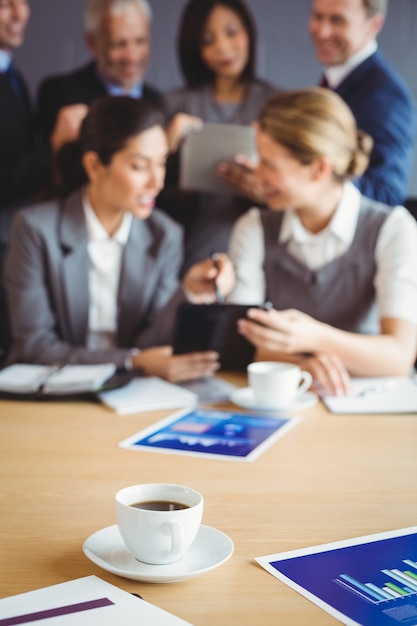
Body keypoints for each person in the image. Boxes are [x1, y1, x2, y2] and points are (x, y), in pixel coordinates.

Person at [4, 96, 234, 383]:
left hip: (131, 392)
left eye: (161, 163)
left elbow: (152, 342)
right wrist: (132, 360)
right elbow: (34, 347)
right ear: (94, 166)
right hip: (52, 393)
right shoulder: (35, 229)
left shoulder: (165, 235)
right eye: (139, 166)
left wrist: (186, 292)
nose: (157, 181)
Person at [227, 88, 417, 395]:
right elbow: (241, 344)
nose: (257, 174)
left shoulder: (393, 229)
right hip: (286, 399)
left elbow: (399, 356)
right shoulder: (253, 228)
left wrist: (314, 339)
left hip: (366, 406)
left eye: (270, 165)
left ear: (319, 168)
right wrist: (302, 364)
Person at [159, 0, 277, 272]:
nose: (223, 48)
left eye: (232, 32)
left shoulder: (275, 104)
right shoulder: (175, 105)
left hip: (259, 244)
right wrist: (167, 145)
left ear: (248, 32)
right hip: (190, 240)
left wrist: (262, 191)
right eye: (207, 40)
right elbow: (148, 188)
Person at [309, 0, 416, 206]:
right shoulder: (334, 79)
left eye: (337, 20)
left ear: (373, 25)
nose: (322, 31)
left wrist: (302, 180)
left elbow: (386, 194)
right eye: (317, 16)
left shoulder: (388, 96)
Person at [37, 0, 162, 150]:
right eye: (119, 44)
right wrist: (55, 144)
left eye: (140, 41)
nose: (131, 57)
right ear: (92, 43)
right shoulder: (61, 95)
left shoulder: (159, 103)